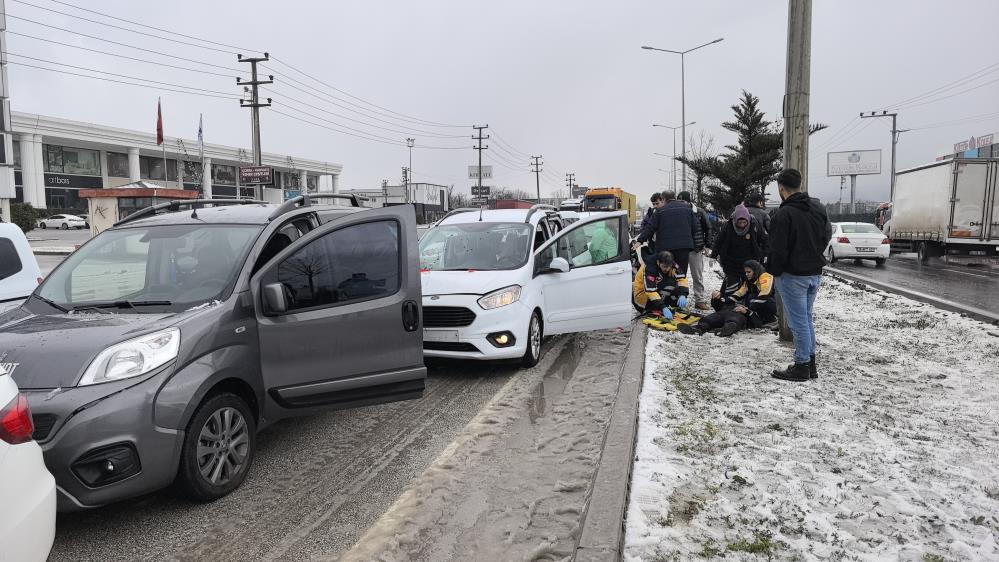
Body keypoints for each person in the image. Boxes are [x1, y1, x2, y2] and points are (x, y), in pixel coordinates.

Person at [767, 168, 833, 382]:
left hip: (792, 275)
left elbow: (777, 249)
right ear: (800, 185)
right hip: (814, 271)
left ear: (781, 188)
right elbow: (826, 235)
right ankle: (810, 364)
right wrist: (813, 253)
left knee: (798, 322)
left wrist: (775, 271)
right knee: (806, 318)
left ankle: (802, 365)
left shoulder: (783, 214)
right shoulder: (818, 208)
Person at [677, 260, 776, 337]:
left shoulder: (765, 277)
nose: (746, 274)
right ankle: (698, 328)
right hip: (743, 309)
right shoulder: (749, 281)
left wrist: (747, 310)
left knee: (735, 319)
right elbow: (739, 293)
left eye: (748, 272)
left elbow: (764, 295)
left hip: (763, 309)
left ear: (755, 271)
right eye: (745, 272)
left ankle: (727, 329)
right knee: (716, 316)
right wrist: (723, 299)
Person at [633, 191, 699, 282]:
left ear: (663, 199)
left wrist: (639, 241)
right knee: (681, 274)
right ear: (674, 197)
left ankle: (668, 292)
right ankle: (681, 293)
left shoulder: (660, 211)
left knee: (666, 273)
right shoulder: (687, 208)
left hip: (665, 249)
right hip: (684, 247)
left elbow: (650, 228)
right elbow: (695, 227)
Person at [711, 204, 768, 298]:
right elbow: (719, 241)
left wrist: (764, 253)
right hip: (731, 261)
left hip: (750, 260)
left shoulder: (754, 224)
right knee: (731, 285)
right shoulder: (728, 226)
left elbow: (764, 239)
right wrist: (714, 255)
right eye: (740, 223)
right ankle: (728, 304)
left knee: (748, 285)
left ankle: (746, 305)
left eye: (744, 223)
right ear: (735, 220)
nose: (742, 225)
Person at [677, 191, 713, 310]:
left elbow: (708, 228)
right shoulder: (677, 212)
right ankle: (679, 300)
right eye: (679, 201)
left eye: (683, 201)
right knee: (680, 275)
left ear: (689, 201)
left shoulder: (700, 212)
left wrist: (708, 245)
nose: (682, 203)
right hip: (681, 248)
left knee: (697, 275)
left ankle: (700, 300)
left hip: (696, 248)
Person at [632, 250, 689, 320]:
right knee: (670, 283)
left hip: (656, 288)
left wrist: (683, 294)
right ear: (658, 262)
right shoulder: (649, 268)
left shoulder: (671, 264)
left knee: (676, 286)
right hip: (642, 297)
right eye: (664, 266)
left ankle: (672, 306)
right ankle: (655, 308)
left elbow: (682, 278)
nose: (667, 269)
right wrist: (663, 307)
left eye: (669, 267)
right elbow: (650, 291)